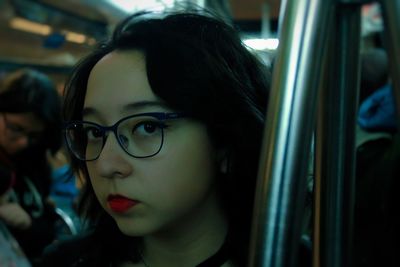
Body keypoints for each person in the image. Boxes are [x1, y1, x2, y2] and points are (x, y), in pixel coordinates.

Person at [41, 9, 273, 267]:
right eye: (94, 132)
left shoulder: (296, 256)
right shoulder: (65, 262)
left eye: (147, 127)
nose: (105, 166)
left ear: (224, 140)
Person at [0, 68, 63, 266]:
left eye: (33, 136)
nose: (23, 143)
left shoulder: (35, 160)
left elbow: (48, 230)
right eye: (16, 129)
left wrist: (27, 224)